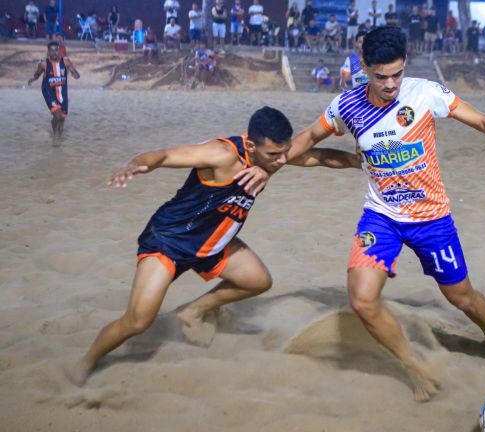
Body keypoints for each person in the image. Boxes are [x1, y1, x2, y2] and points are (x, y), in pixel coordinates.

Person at [240, 26, 485, 403]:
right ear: (365, 67)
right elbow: (306, 138)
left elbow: (483, 120)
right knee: (362, 299)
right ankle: (412, 365)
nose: (390, 84)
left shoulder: (426, 94)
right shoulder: (346, 106)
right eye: (380, 76)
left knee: (463, 297)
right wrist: (269, 166)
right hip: (381, 217)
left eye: (397, 74)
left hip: (432, 219)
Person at [63, 107, 361, 387]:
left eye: (284, 153)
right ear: (252, 145)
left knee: (258, 281)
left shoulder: (271, 158)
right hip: (170, 241)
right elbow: (165, 155)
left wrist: (358, 161)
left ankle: (192, 311)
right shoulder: (221, 155)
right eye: (274, 154)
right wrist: (135, 164)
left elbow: (318, 156)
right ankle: (85, 362)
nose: (282, 161)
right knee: (138, 321)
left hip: (213, 243)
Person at [27, 41, 81, 143]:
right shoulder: (44, 64)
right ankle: (55, 137)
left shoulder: (66, 62)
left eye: (56, 50)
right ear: (48, 52)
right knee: (57, 115)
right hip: (48, 92)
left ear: (59, 51)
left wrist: (76, 75)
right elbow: (37, 74)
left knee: (62, 119)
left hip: (62, 93)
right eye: (52, 51)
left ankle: (56, 132)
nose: (54, 53)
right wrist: (32, 79)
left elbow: (75, 71)